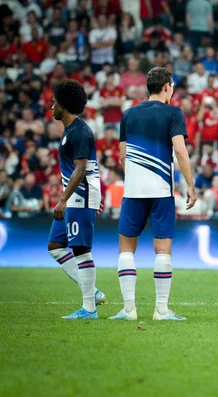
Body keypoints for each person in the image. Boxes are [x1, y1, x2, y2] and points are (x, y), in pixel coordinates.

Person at [109, 67, 197, 321]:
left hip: (134, 190)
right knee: (163, 249)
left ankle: (128, 310)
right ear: (168, 87)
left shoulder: (129, 114)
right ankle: (161, 309)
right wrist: (189, 185)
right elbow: (180, 150)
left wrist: (135, 178)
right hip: (161, 190)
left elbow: (123, 156)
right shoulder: (173, 113)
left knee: (126, 249)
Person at [47, 80, 104, 320]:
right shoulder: (70, 131)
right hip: (76, 198)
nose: (51, 106)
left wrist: (62, 200)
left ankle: (89, 309)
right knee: (55, 246)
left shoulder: (79, 132)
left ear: (65, 104)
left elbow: (80, 169)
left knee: (81, 251)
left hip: (78, 198)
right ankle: (93, 292)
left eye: (54, 102)